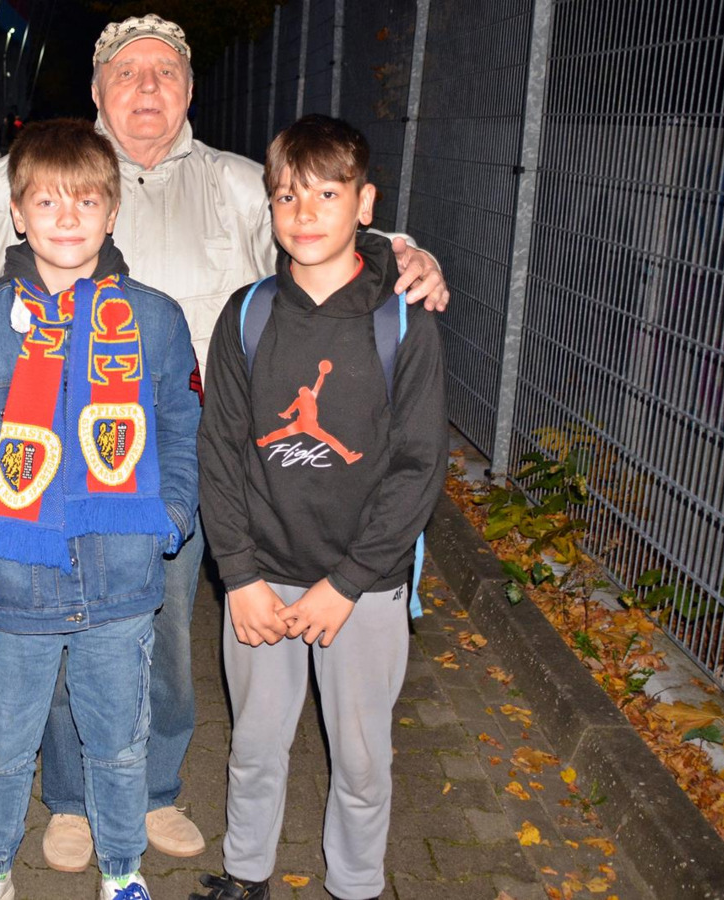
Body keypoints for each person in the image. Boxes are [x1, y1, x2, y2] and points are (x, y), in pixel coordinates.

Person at [0, 13, 451, 870]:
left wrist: (404, 253)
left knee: (160, 648)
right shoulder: (36, 169)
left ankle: (153, 789)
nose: (147, 88)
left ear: (189, 90)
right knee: (59, 654)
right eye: (127, 73)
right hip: (43, 469)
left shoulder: (236, 182)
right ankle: (70, 802)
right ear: (99, 90)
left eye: (165, 73)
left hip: (173, 468)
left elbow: (321, 226)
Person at [0, 119, 200, 900]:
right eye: (46, 201)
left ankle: (122, 873)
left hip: (121, 585)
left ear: (112, 212)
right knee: (2, 749)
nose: (66, 218)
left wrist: (172, 515)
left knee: (120, 747)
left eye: (85, 201)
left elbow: (183, 425)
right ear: (17, 213)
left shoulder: (154, 321)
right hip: (16, 585)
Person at [192, 114, 448, 900]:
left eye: (326, 195)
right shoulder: (247, 313)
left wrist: (349, 583)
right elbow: (220, 453)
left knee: (363, 760)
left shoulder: (402, 320)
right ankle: (246, 874)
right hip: (263, 579)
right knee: (255, 744)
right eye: (286, 197)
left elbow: (418, 467)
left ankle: (356, 885)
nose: (304, 213)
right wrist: (239, 576)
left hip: (362, 586)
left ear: (365, 204)